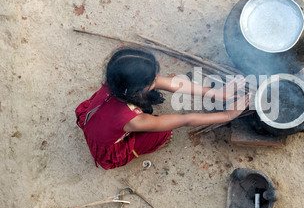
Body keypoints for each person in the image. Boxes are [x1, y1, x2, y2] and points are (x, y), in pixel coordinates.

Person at [75, 47, 249, 170]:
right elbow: (184, 120)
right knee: (163, 133)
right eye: (152, 80)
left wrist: (216, 94)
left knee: (152, 102)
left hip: (98, 116)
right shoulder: (133, 120)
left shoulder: (119, 79)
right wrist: (227, 115)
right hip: (108, 146)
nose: (157, 79)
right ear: (137, 88)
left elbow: (171, 83)